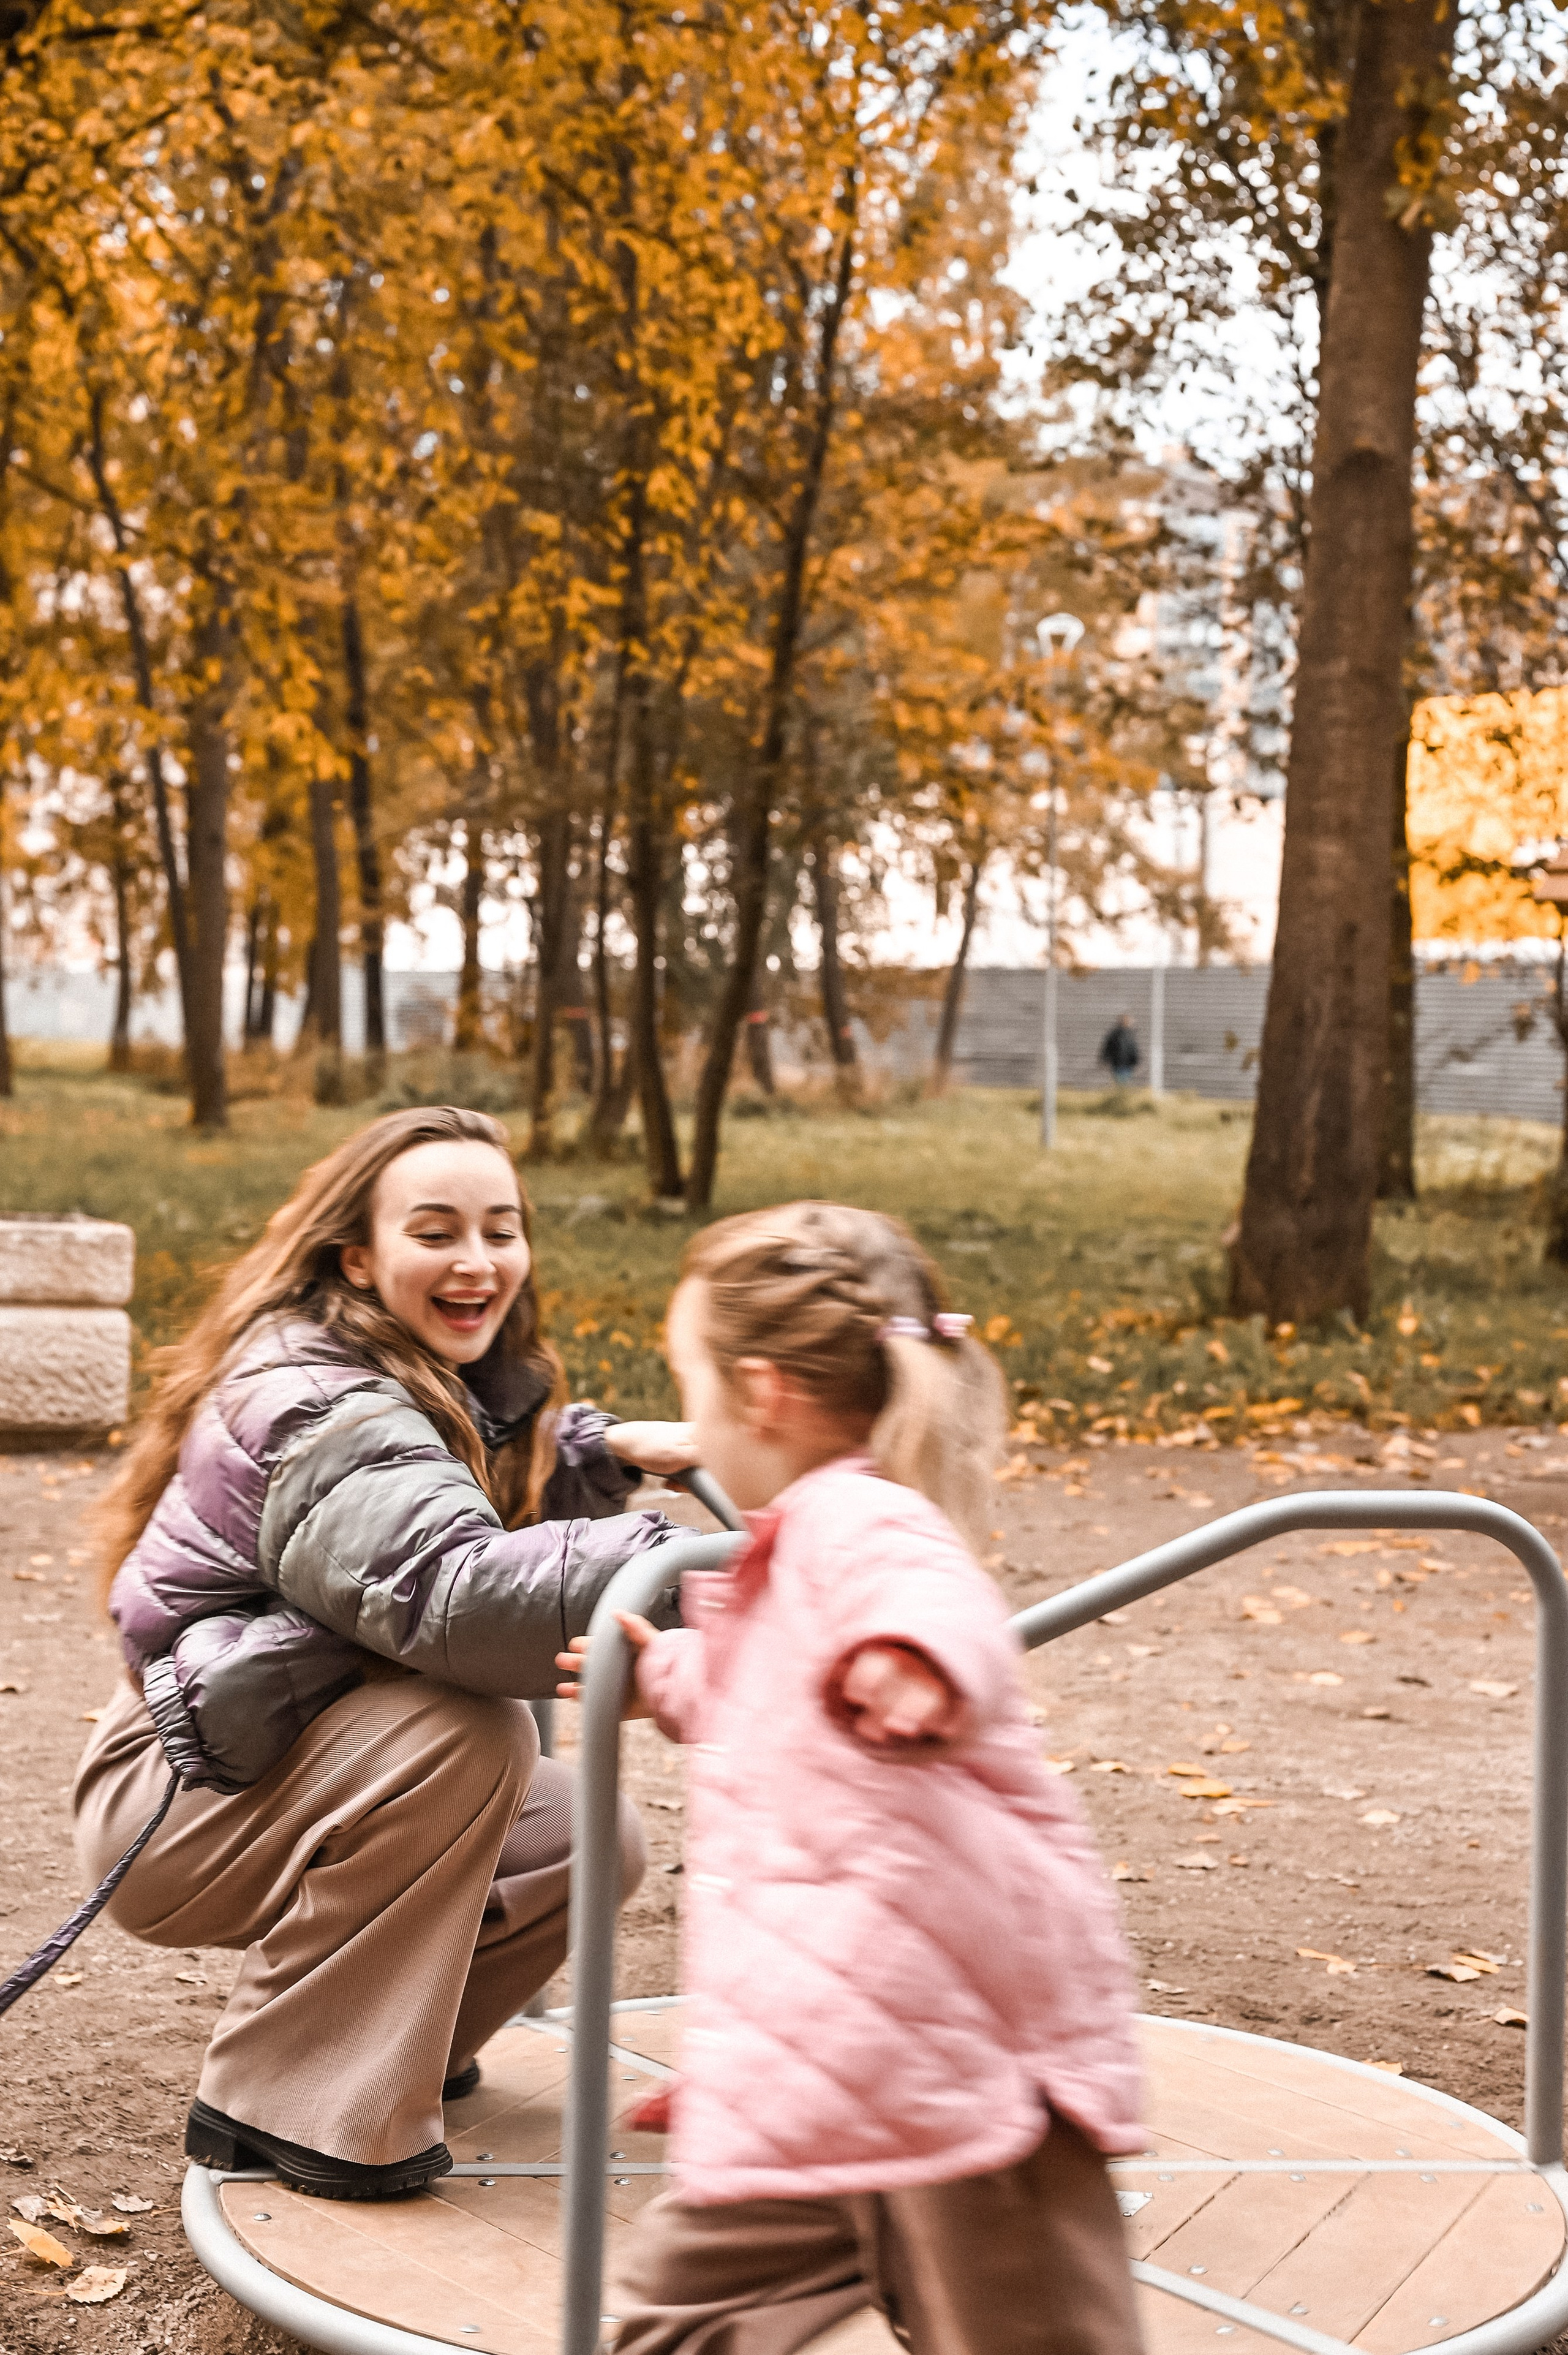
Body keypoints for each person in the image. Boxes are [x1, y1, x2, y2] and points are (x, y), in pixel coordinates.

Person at [71, 1105, 699, 2201]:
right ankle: (284, 2096)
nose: (478, 1260)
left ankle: (392, 2038)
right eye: (437, 1229)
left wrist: (602, 1449)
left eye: (502, 1229)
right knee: (472, 1728)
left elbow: (464, 1489)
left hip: (271, 1750)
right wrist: (715, 1571)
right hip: (183, 1781)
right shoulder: (320, 1403)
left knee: (587, 1829)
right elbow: (452, 1588)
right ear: (358, 1255)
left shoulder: (418, 1373)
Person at [557, 1201, 1145, 2355]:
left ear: (763, 1391)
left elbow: (939, 1601)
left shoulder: (861, 1516)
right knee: (679, 2315)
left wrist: (914, 1663)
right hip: (810, 2072)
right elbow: (766, 1687)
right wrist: (665, 1673)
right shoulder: (789, 1550)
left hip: (952, 2066)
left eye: (692, 1374)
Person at [1098, 1013, 1140, 1086]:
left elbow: (1133, 1050)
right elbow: (1108, 1047)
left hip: (1127, 1064)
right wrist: (1104, 1059)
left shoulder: (1130, 1034)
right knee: (1122, 1083)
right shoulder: (1115, 1035)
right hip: (1118, 1064)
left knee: (1124, 1083)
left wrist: (1136, 1061)